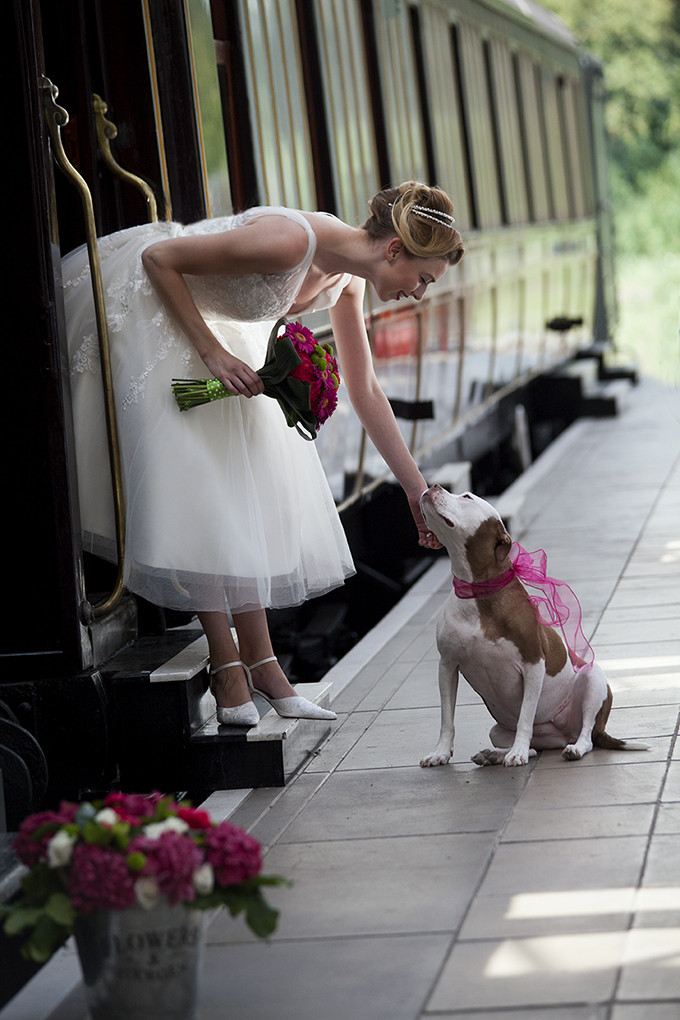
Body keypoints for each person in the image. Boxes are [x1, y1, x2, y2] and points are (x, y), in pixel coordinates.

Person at [63, 181, 464, 727]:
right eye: (423, 279)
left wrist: (418, 492)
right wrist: (213, 352)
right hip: (152, 309)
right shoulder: (290, 241)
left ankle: (265, 668)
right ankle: (228, 667)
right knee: (205, 487)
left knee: (243, 484)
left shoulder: (347, 277)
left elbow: (365, 390)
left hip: (217, 334)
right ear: (394, 249)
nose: (420, 292)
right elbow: (158, 259)